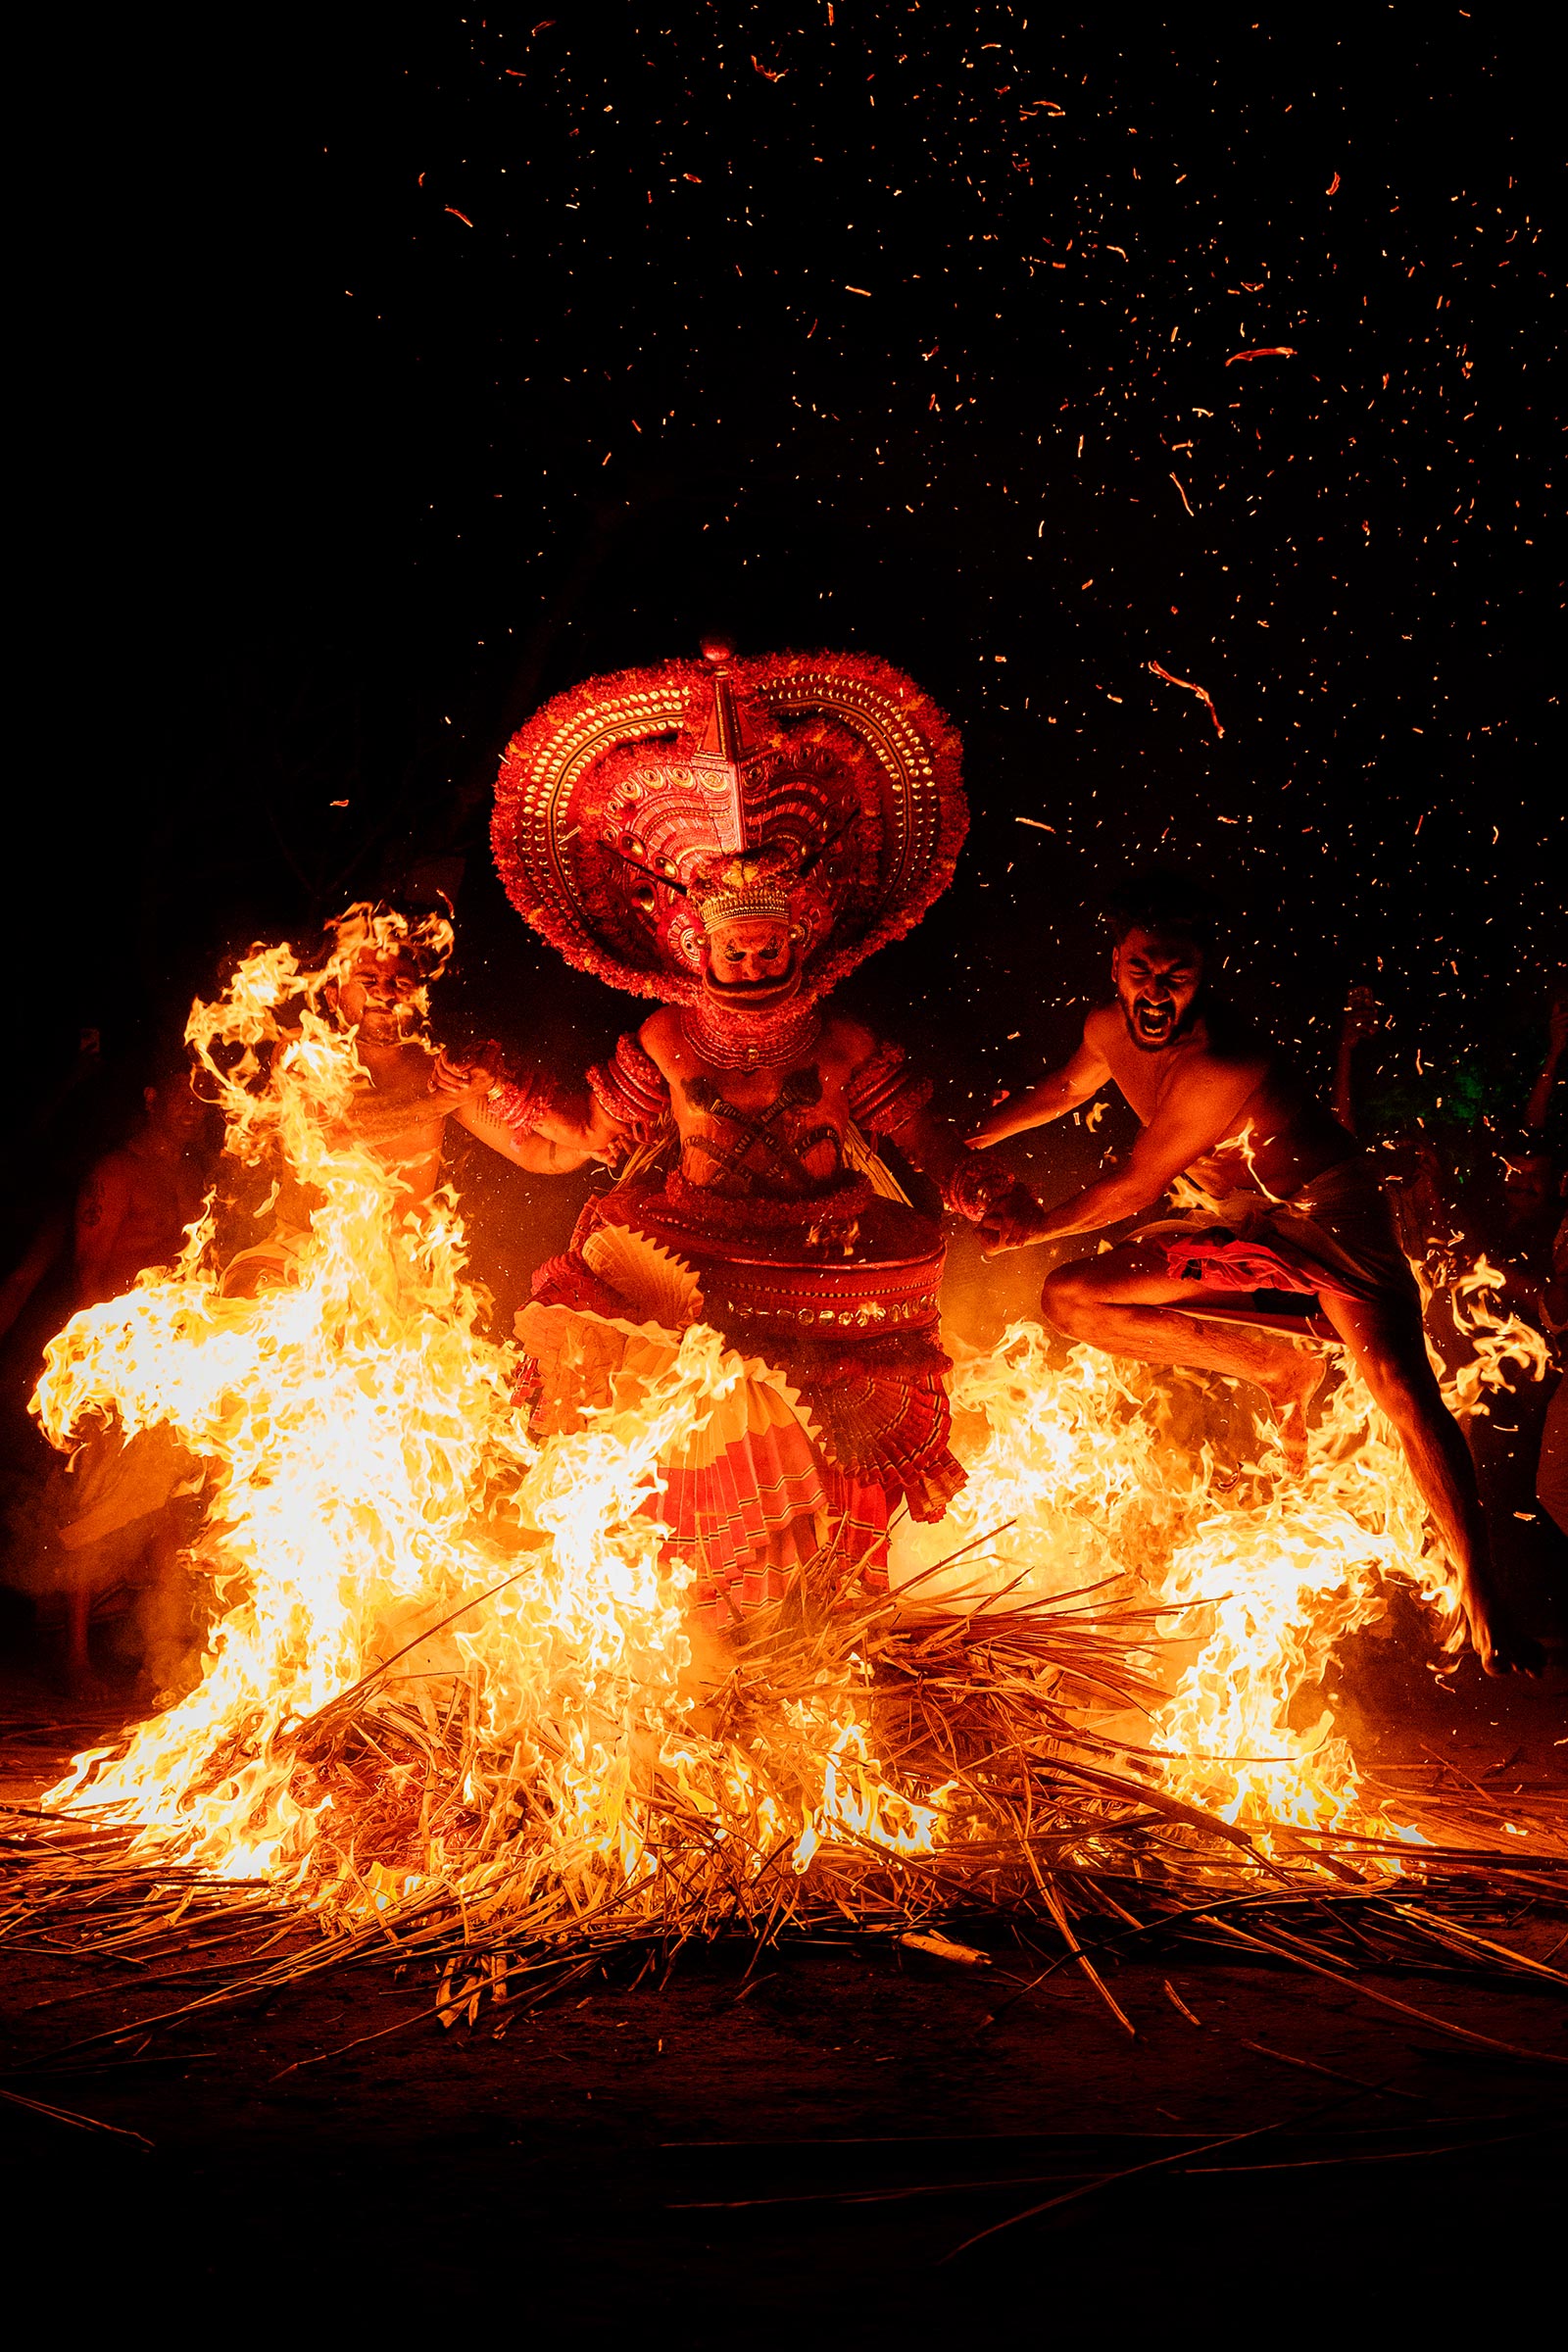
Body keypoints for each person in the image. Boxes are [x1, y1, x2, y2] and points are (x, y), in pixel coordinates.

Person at [478, 643, 1020, 1629]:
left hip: (832, 1274)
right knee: (700, 1443)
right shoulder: (661, 1039)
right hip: (700, 1269)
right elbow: (585, 1147)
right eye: (737, 945)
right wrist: (508, 1098)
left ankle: (837, 1633)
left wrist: (984, 1193)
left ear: (803, 939)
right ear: (698, 946)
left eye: (772, 943)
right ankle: (706, 1627)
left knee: (847, 1451)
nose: (757, 954)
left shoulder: (845, 1041)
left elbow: (924, 1143)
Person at [964, 866, 1539, 1678]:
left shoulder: (1221, 1061)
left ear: (1205, 976)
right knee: (1073, 1300)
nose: (1157, 990)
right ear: (1115, 966)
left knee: (1401, 1390)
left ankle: (1481, 1587)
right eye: (1142, 971)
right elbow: (1060, 1089)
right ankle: (1276, 1363)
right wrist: (969, 1143)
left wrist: (1031, 1226)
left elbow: (1133, 1186)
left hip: (1329, 1218)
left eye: (1178, 974)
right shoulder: (1105, 1029)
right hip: (1238, 1226)